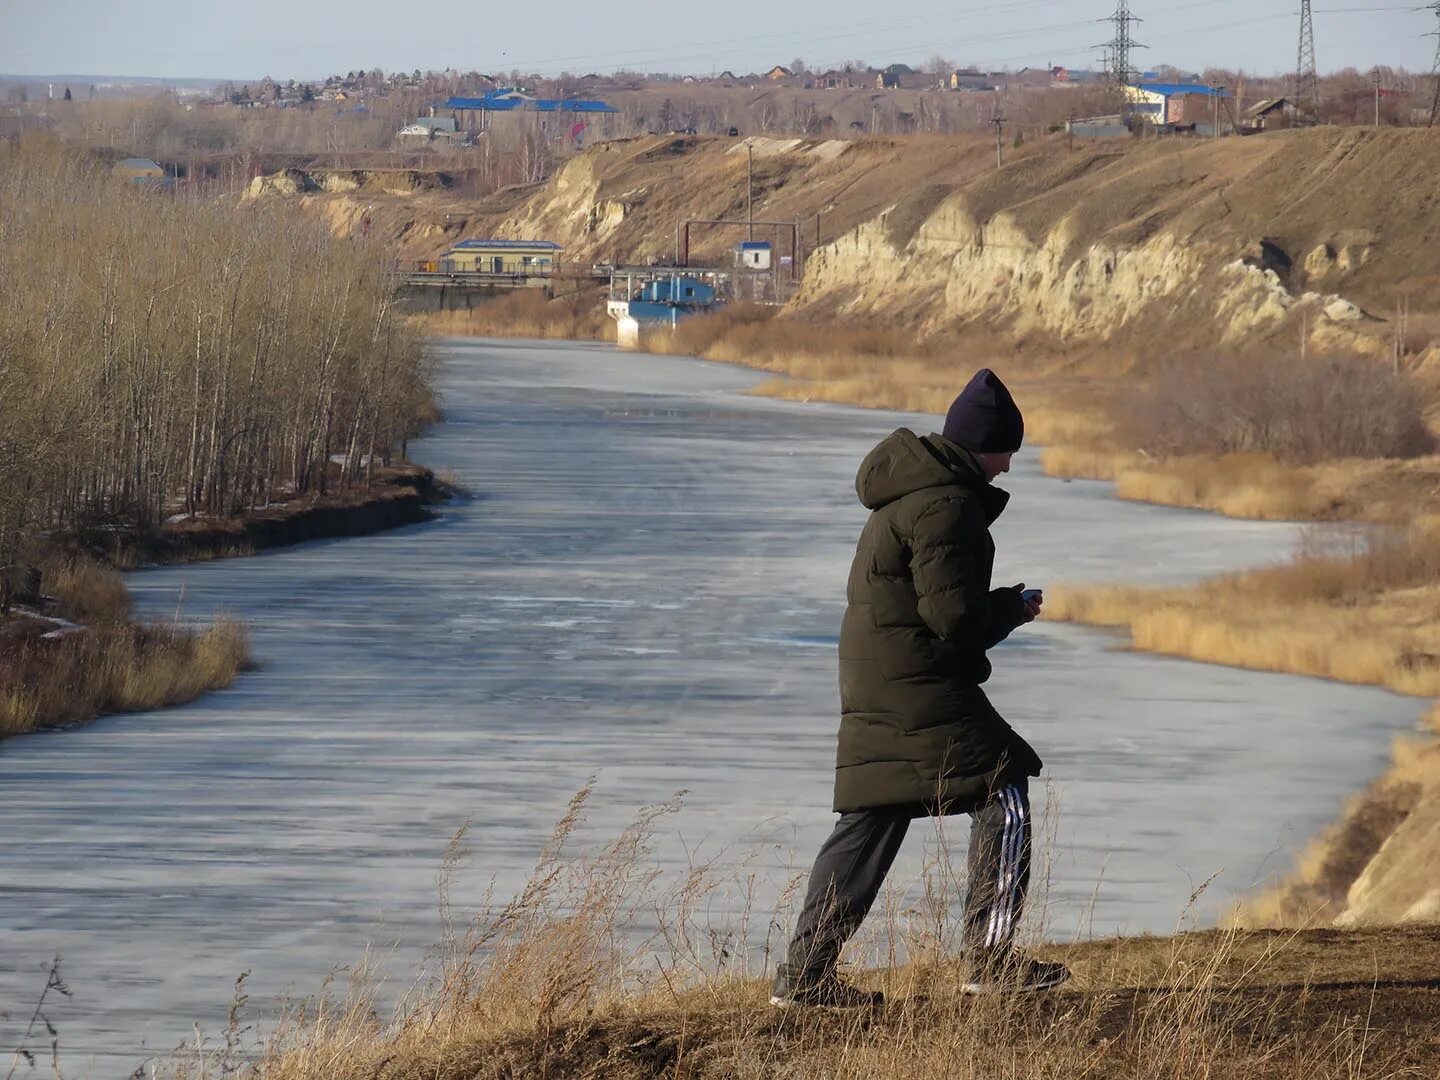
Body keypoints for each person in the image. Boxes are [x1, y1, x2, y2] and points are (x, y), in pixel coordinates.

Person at [770, 368, 1068, 1008]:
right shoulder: (947, 504)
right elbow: (954, 620)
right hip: (916, 680)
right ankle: (989, 962)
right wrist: (1012, 608)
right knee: (1005, 789)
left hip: (878, 674)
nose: (1011, 464)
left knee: (872, 815)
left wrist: (994, 606)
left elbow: (933, 604)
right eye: (1009, 449)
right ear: (986, 444)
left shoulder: (913, 493)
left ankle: (804, 978)